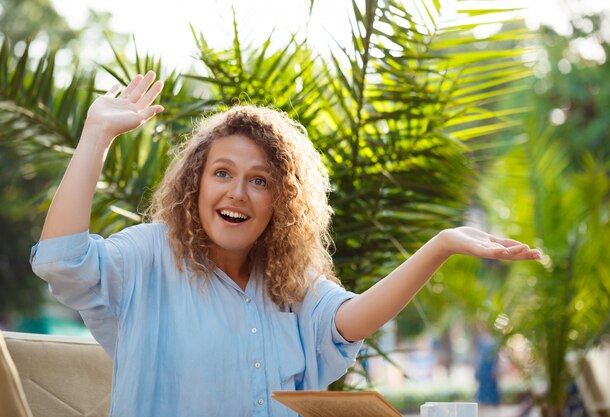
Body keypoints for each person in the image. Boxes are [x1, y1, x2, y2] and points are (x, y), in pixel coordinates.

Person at [30, 71, 541, 417]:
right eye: (222, 173)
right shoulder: (146, 256)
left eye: (259, 180)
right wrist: (97, 135)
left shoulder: (287, 283)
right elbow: (62, 259)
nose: (237, 192)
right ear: (195, 185)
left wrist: (441, 245)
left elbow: (349, 320)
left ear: (282, 200)